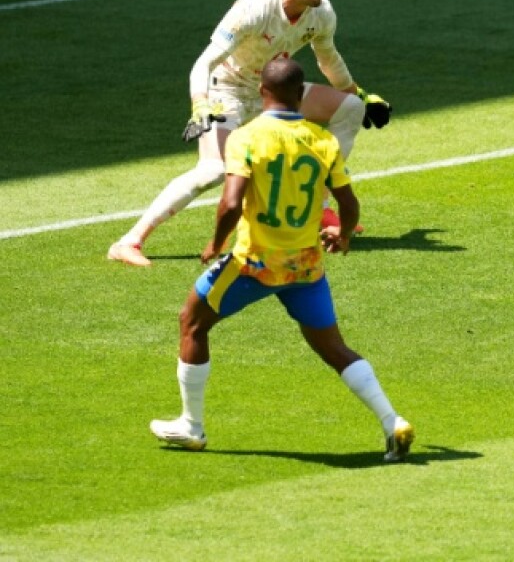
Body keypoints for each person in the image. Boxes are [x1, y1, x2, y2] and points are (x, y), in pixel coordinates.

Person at [149, 57, 414, 462]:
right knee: (334, 348)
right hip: (306, 267)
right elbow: (348, 202)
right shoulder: (322, 140)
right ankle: (392, 421)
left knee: (192, 321)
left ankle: (191, 425)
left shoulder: (246, 138)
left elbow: (230, 203)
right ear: (301, 95)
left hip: (253, 264)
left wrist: (215, 243)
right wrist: (343, 234)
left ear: (262, 92)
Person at [108, 0, 392, 267]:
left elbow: (328, 60)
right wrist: (200, 105)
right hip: (226, 90)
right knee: (213, 170)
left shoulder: (322, 12)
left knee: (351, 108)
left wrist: (359, 93)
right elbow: (204, 63)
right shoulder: (254, 8)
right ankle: (128, 242)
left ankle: (317, 207)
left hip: (273, 92)